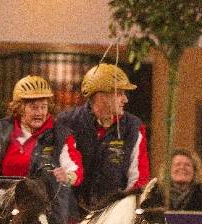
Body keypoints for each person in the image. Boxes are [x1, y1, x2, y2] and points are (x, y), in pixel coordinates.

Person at [0, 75, 83, 224]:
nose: (40, 112)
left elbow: (76, 169)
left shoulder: (60, 135)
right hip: (6, 208)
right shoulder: (2, 129)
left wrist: (68, 176)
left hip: (46, 212)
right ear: (20, 108)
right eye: (33, 107)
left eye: (43, 107)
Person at [56, 63, 150, 213]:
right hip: (70, 214)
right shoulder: (67, 122)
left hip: (112, 215)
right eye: (119, 93)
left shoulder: (133, 127)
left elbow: (138, 179)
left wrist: (122, 212)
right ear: (101, 96)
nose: (125, 99)